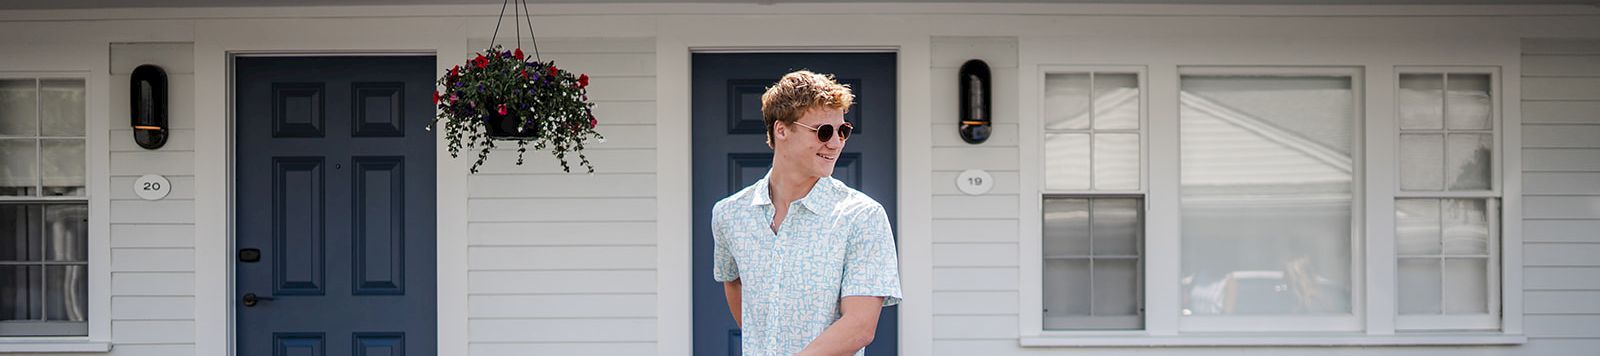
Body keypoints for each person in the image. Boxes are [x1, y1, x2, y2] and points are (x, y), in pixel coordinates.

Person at [711, 70, 903, 356]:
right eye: (824, 131)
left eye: (843, 131)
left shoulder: (862, 216)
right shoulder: (730, 214)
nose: (836, 143)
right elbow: (734, 283)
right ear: (782, 130)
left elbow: (860, 326)